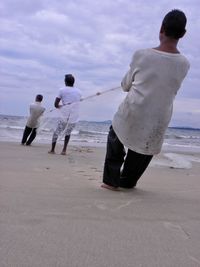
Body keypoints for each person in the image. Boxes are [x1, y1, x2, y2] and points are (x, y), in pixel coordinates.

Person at [102, 9, 190, 191]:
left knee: (116, 136)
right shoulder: (184, 63)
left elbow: (126, 85)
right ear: (183, 34)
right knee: (144, 147)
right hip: (159, 117)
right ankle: (127, 181)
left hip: (133, 111)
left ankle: (111, 182)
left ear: (161, 28)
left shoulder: (141, 55)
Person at [48, 74, 82, 155]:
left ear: (65, 82)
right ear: (73, 82)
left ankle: (52, 150)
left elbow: (56, 104)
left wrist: (60, 106)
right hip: (74, 115)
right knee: (68, 133)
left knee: (57, 131)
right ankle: (64, 150)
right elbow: (79, 101)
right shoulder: (79, 91)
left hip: (64, 114)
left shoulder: (62, 90)